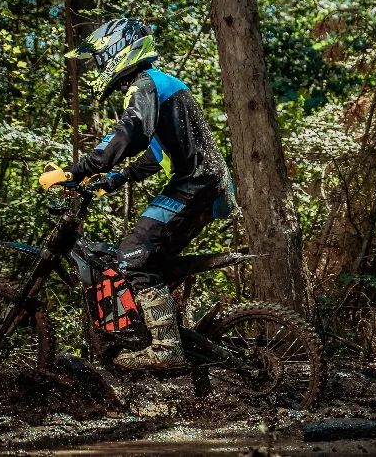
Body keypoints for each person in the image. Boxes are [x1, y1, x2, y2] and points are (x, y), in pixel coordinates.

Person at [40, 18, 237, 370]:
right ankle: (167, 334)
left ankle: (165, 349)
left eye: (101, 59)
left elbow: (131, 133)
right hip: (201, 183)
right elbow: (157, 151)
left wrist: (79, 169)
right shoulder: (161, 84)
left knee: (133, 255)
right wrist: (113, 179)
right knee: (145, 257)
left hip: (196, 185)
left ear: (119, 50)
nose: (100, 67)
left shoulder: (145, 85)